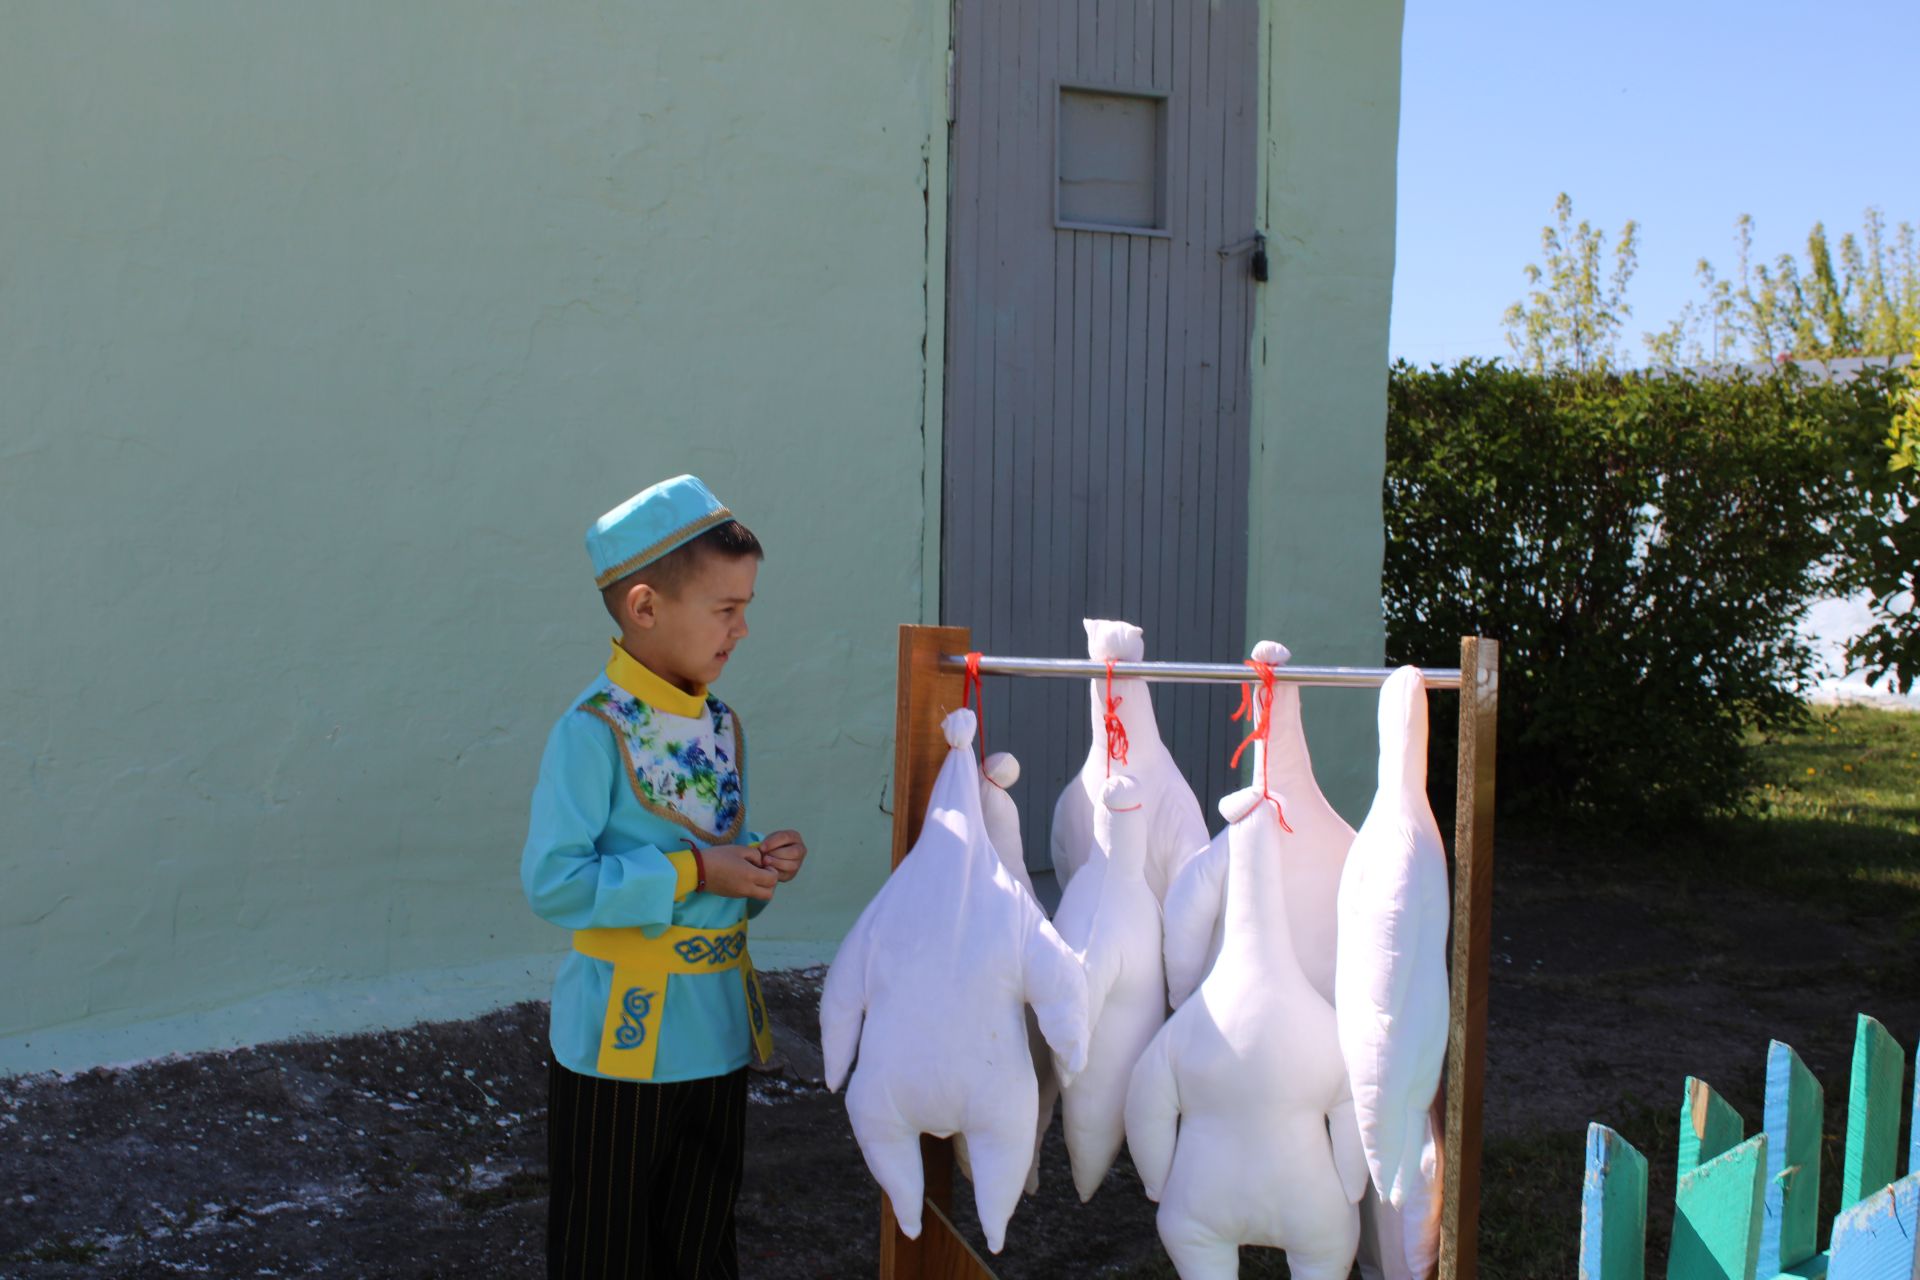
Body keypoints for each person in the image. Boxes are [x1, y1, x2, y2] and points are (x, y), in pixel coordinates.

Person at [521, 474, 809, 1279]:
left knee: (702, 1241)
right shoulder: (589, 732)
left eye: (746, 607)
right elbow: (555, 883)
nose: (743, 630)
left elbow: (710, 842)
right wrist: (694, 869)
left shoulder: (719, 722)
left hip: (715, 1030)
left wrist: (753, 861)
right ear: (645, 608)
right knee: (604, 1251)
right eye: (726, 610)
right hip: (623, 1040)